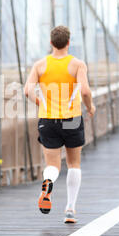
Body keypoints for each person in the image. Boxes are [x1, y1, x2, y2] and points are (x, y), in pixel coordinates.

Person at [24, 26, 95, 224]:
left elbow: (27, 91)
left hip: (48, 120)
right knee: (74, 164)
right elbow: (86, 92)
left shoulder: (39, 65)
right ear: (69, 42)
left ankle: (48, 183)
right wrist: (90, 107)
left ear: (51, 42)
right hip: (71, 118)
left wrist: (40, 103)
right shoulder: (77, 64)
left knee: (53, 165)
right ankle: (70, 209)